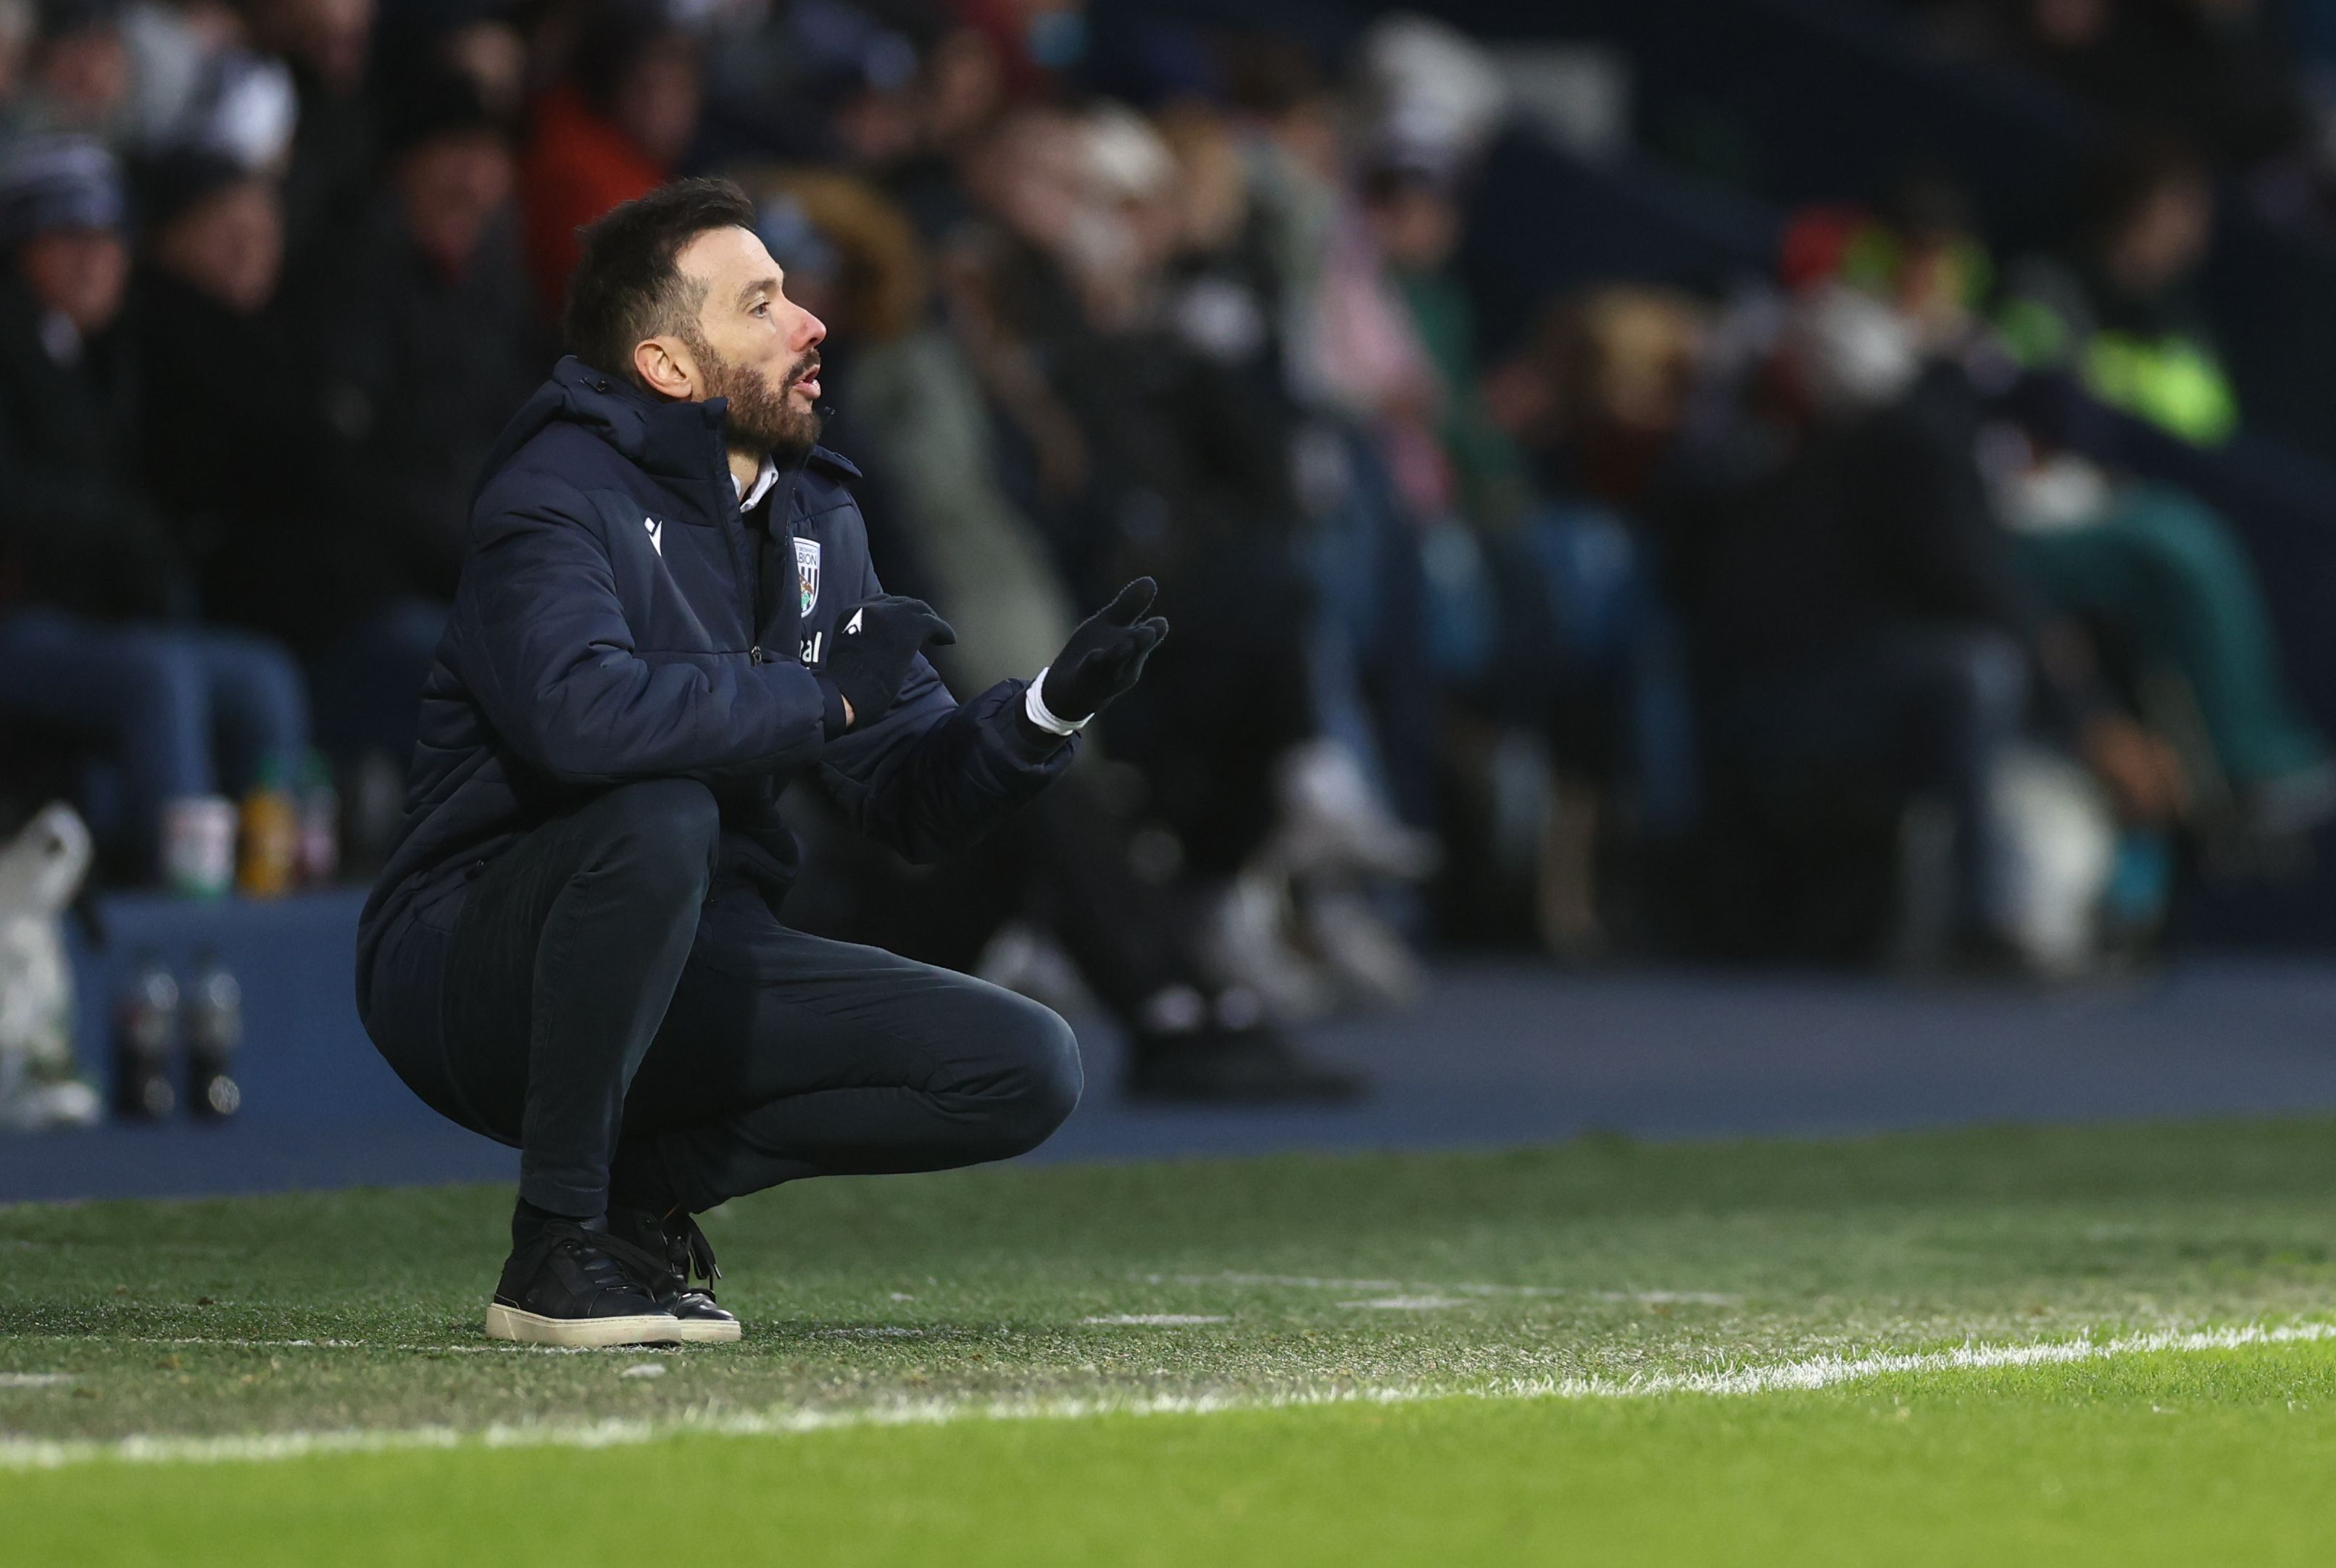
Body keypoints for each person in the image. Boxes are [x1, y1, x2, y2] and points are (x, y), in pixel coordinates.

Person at [354, 177, 1169, 1348]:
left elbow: (906, 795)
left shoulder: (811, 518)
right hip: (473, 961)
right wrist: (818, 689)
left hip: (687, 951)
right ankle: (555, 1243)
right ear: (669, 367)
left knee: (1023, 1064)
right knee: (661, 811)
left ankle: (641, 1196)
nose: (810, 323)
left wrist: (1040, 712)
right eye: (761, 304)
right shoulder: (552, 493)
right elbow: (582, 719)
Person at [0, 135, 308, 877]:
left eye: (108, 242)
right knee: (156, 679)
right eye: (68, 240)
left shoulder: (105, 355)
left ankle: (279, 882)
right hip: (22, 617)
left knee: (259, 676)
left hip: (92, 614)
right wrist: (114, 532)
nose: (94, 261)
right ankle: (178, 904)